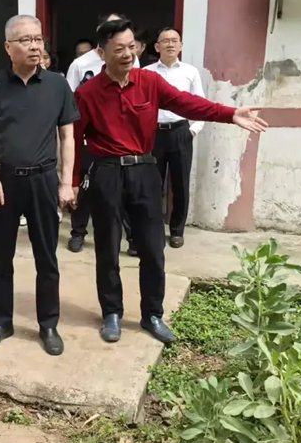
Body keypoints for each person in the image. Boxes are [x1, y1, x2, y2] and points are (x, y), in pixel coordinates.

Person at [72, 19, 267, 345]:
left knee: (152, 247)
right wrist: (73, 181)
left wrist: (230, 114)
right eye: (119, 49)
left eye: (131, 47)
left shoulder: (150, 82)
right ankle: (112, 313)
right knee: (107, 248)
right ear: (102, 54)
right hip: (106, 173)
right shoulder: (87, 93)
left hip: (145, 172)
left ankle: (152, 314)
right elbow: (75, 140)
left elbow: (187, 103)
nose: (127, 54)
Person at [0, 14, 79, 356]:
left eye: (38, 39)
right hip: (3, 183)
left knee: (47, 257)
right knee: (1, 256)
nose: (34, 46)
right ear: (8, 47)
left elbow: (68, 137)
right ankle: (2, 322)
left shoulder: (58, 85)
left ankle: (48, 325)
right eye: (25, 40)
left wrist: (66, 183)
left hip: (43, 181)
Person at [66, 13, 138, 256]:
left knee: (125, 192)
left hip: (120, 142)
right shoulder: (80, 64)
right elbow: (69, 100)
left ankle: (133, 238)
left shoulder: (131, 60)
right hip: (90, 140)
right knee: (85, 189)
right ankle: (78, 233)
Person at [144, 27, 204, 248]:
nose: (170, 44)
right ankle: (153, 230)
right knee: (152, 185)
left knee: (180, 184)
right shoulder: (147, 73)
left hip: (180, 132)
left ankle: (177, 231)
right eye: (165, 41)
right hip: (154, 134)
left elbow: (200, 104)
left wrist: (193, 130)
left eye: (174, 40)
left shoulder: (190, 72)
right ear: (157, 46)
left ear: (181, 46)